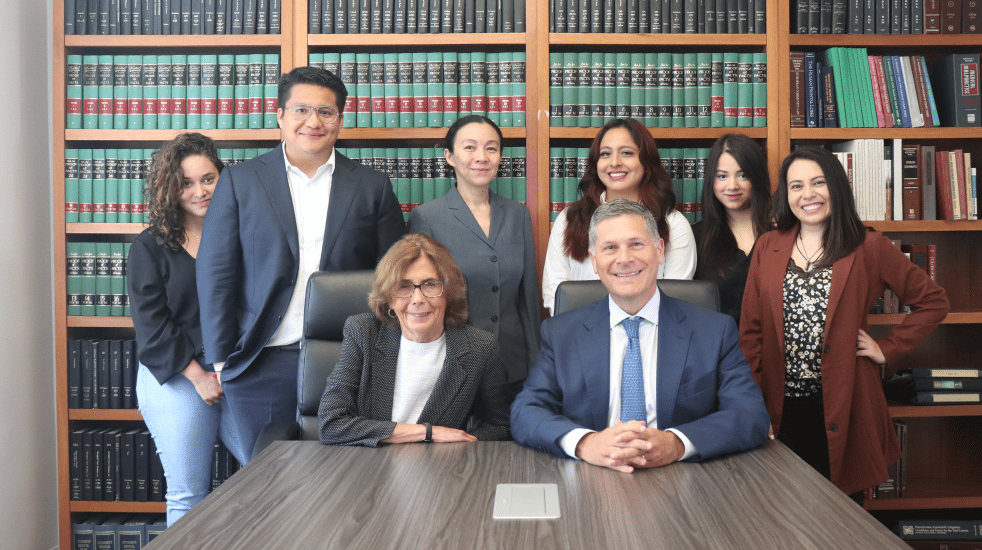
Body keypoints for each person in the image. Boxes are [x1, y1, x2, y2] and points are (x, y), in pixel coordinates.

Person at [197, 66, 407, 462]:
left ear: (340, 121)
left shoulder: (371, 186)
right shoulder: (240, 182)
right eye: (300, 110)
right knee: (266, 481)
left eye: (326, 112)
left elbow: (392, 277)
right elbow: (217, 273)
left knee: (345, 479)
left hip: (346, 359)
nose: (313, 121)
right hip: (261, 358)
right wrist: (223, 360)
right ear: (280, 116)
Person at [740, 146, 949, 498]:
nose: (808, 194)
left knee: (840, 516)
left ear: (836, 187)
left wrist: (886, 349)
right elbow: (752, 331)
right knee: (779, 511)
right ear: (785, 195)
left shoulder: (868, 246)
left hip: (844, 403)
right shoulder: (768, 246)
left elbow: (933, 301)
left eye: (818, 182)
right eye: (796, 186)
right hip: (779, 406)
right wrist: (750, 402)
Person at [512, 199, 769, 472]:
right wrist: (587, 443)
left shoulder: (714, 331)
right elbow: (525, 411)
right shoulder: (561, 333)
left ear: (659, 251)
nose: (624, 259)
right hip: (591, 477)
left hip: (684, 480)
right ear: (595, 261)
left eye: (636, 244)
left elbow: (749, 414)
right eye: (610, 248)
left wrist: (676, 444)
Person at [128, 133, 246, 525]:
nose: (200, 191)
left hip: (235, 370)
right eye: (187, 183)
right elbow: (152, 326)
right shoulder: (149, 247)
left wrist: (231, 370)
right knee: (188, 493)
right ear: (169, 188)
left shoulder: (242, 236)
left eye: (208, 179)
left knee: (271, 475)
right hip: (177, 374)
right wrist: (198, 378)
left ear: (223, 178)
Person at [318, 233, 511, 446]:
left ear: (449, 292)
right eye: (404, 286)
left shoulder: (479, 348)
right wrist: (427, 433)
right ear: (388, 297)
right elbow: (330, 423)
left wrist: (461, 447)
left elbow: (501, 426)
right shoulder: (363, 333)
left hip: (439, 470)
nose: (418, 299)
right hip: (369, 469)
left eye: (430, 285)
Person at [409, 115, 540, 396]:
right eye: (470, 147)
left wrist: (535, 364)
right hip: (454, 365)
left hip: (513, 366)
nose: (481, 157)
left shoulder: (518, 214)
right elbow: (421, 299)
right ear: (450, 156)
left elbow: (527, 299)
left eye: (491, 148)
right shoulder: (427, 217)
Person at [541, 118, 696, 316]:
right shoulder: (568, 220)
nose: (614, 163)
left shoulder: (674, 225)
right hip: (581, 337)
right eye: (605, 154)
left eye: (626, 153)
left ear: (646, 161)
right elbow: (555, 294)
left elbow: (677, 300)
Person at [692, 134, 772, 323]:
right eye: (722, 176)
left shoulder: (782, 234)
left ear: (757, 178)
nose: (732, 186)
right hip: (718, 349)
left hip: (774, 348)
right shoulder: (695, 239)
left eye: (743, 175)